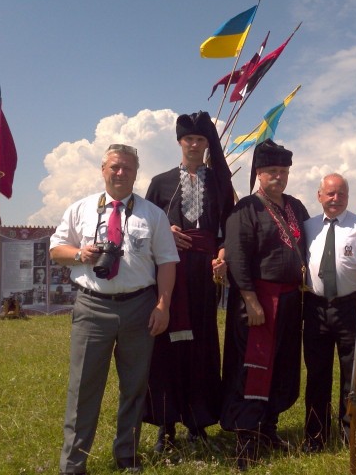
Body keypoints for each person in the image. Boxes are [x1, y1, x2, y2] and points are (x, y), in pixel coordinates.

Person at [50, 144, 178, 474]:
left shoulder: (153, 214)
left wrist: (163, 305)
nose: (120, 173)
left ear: (136, 173)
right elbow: (56, 250)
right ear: (103, 169)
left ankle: (127, 456)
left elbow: (166, 262)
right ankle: (73, 464)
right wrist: (81, 254)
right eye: (114, 167)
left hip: (140, 307)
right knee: (83, 389)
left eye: (127, 168)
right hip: (92, 307)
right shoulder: (80, 209)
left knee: (134, 387)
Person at [143, 111, 234, 451]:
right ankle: (164, 425)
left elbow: (229, 227)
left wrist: (223, 254)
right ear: (179, 142)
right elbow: (143, 226)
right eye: (188, 140)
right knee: (165, 346)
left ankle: (198, 421)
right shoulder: (160, 182)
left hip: (205, 275)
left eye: (200, 140)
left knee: (203, 343)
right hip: (169, 273)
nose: (194, 145)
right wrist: (164, 231)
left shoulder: (220, 183)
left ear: (207, 144)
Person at [221, 139, 309, 470]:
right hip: (257, 302)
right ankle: (247, 438)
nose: (279, 177)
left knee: (283, 365)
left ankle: (269, 429)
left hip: (290, 300)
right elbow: (238, 256)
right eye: (272, 171)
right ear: (259, 173)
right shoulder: (246, 209)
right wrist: (249, 299)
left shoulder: (296, 206)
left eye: (284, 171)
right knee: (253, 368)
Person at [302, 173, 356, 453]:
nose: (335, 199)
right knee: (317, 374)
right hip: (314, 308)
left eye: (341, 194)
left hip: (351, 307)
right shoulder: (307, 227)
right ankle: (315, 435)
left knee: (353, 374)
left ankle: (351, 433)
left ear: (347, 197)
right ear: (320, 196)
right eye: (330, 194)